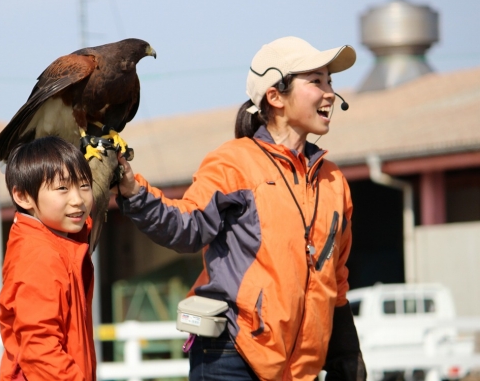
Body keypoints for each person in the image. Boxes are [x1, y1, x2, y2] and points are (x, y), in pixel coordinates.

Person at [116, 37, 366, 380]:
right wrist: (133, 192)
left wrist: (346, 354)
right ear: (275, 97)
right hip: (230, 354)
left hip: (299, 371)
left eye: (330, 82)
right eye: (316, 81)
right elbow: (186, 227)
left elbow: (335, 279)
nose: (329, 94)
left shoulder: (334, 181)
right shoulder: (234, 163)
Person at [0, 136, 96, 381]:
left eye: (84, 185)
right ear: (22, 197)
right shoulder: (40, 255)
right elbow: (39, 348)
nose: (77, 199)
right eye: (62, 188)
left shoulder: (56, 243)